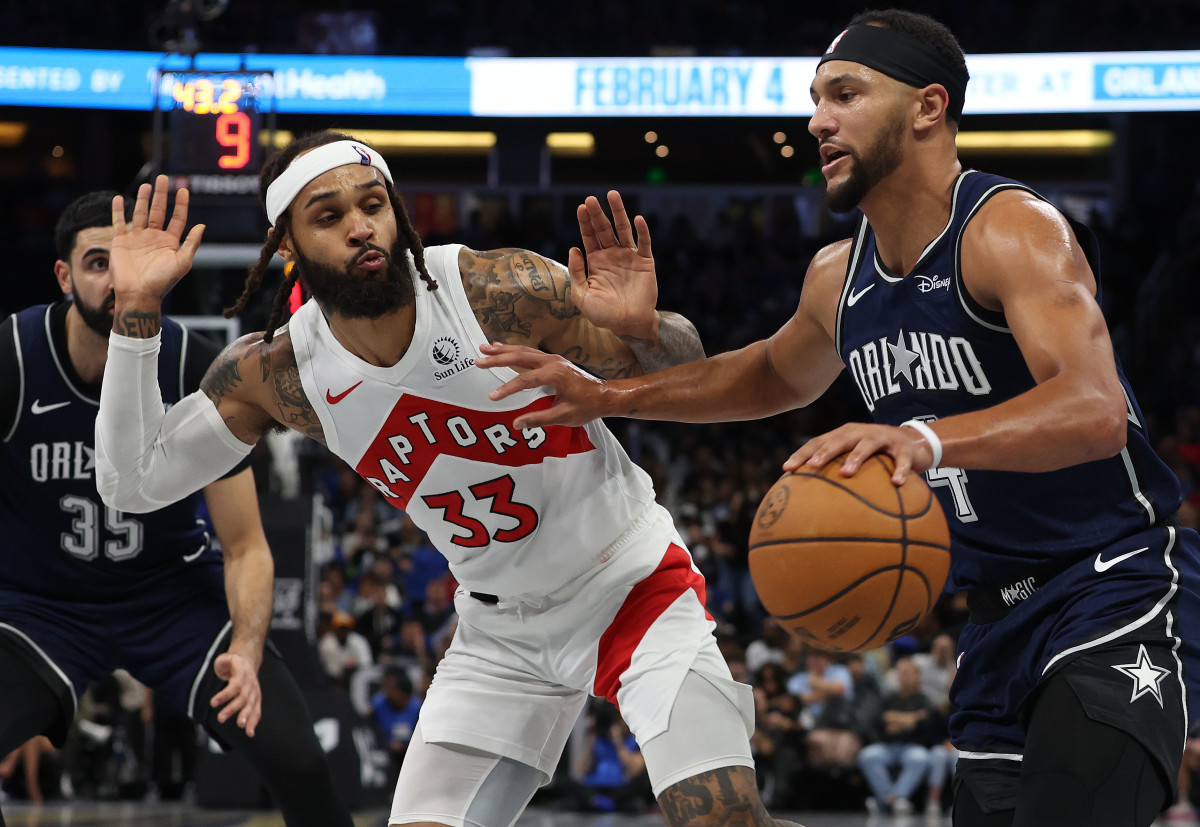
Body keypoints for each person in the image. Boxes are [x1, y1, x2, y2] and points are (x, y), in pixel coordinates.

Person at [477, 9, 1200, 827]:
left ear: (928, 108)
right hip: (993, 618)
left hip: (1112, 583)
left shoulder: (1009, 230)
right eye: (816, 99)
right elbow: (771, 374)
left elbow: (1095, 408)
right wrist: (617, 392)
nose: (817, 120)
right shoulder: (837, 275)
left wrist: (922, 438)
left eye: (845, 95)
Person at [92, 131, 804, 827]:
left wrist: (646, 329)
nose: (361, 227)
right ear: (286, 245)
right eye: (329, 216)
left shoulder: (497, 292)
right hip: (500, 633)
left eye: (373, 203)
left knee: (723, 817)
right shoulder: (282, 373)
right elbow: (132, 483)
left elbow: (684, 375)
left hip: (630, 586)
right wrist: (136, 310)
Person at [0, 191, 353, 826]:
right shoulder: (13, 359)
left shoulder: (191, 362)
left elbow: (245, 545)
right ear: (64, 276)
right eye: (98, 263)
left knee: (300, 762)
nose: (117, 280)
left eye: (129, 263)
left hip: (171, 601)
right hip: (40, 607)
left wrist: (245, 648)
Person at [856, 657, 937, 816]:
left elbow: (924, 722)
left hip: (913, 746)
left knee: (920, 758)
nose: (904, 676)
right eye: (901, 673)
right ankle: (893, 799)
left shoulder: (923, 699)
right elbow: (880, 720)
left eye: (908, 672)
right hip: (889, 746)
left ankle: (889, 800)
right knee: (867, 756)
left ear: (917, 676)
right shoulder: (889, 698)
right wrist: (909, 719)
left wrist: (896, 719)